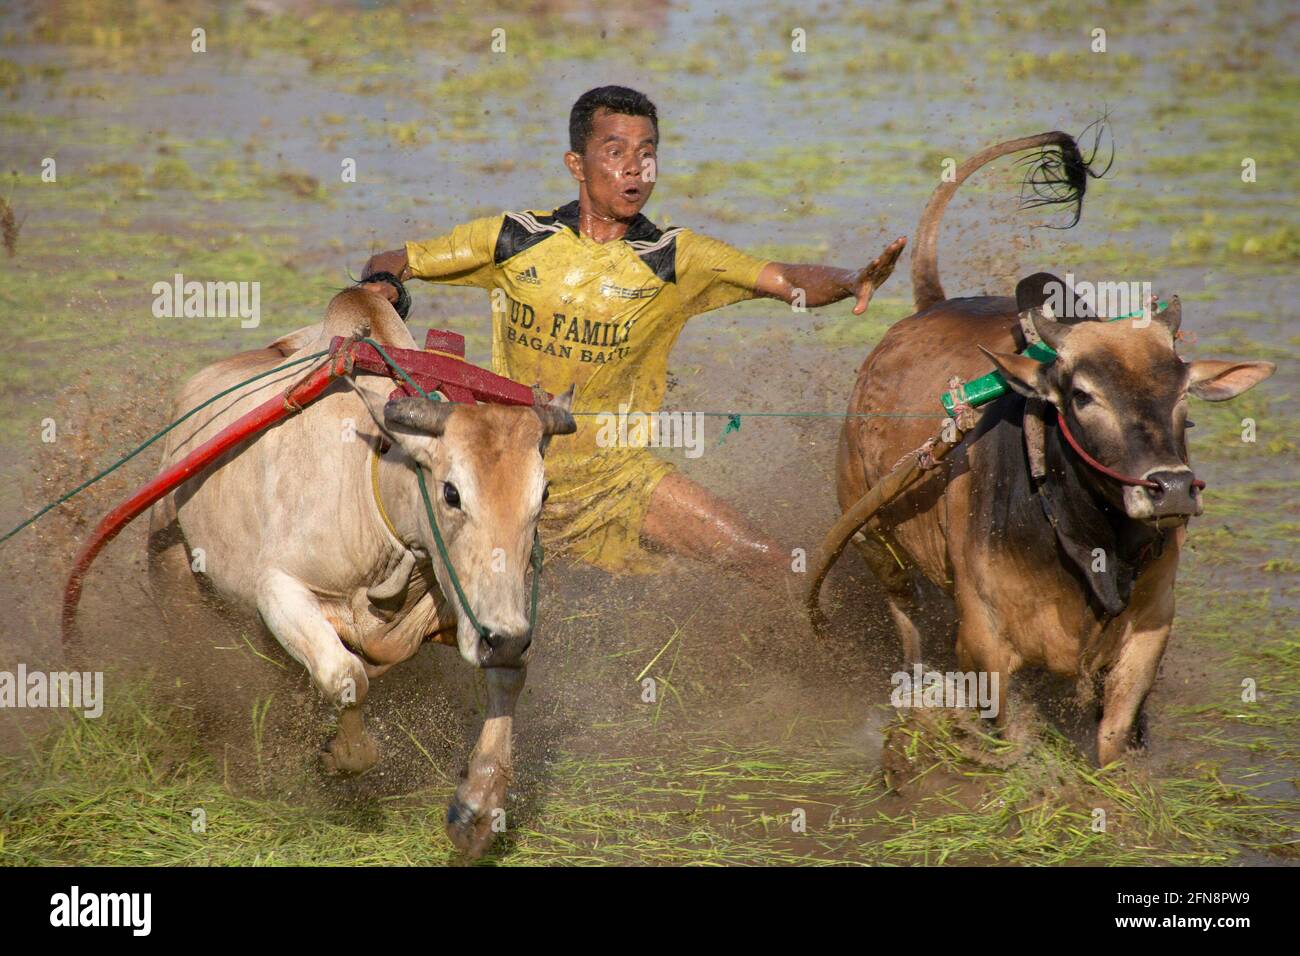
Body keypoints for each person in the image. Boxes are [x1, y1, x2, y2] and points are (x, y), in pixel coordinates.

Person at [361, 85, 904, 584]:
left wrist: (851, 278)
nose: (635, 169)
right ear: (577, 163)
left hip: (620, 480)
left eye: (647, 153)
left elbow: (783, 279)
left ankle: (845, 652)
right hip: (512, 473)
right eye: (616, 151)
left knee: (770, 563)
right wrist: (385, 285)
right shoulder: (513, 238)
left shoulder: (674, 257)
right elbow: (395, 260)